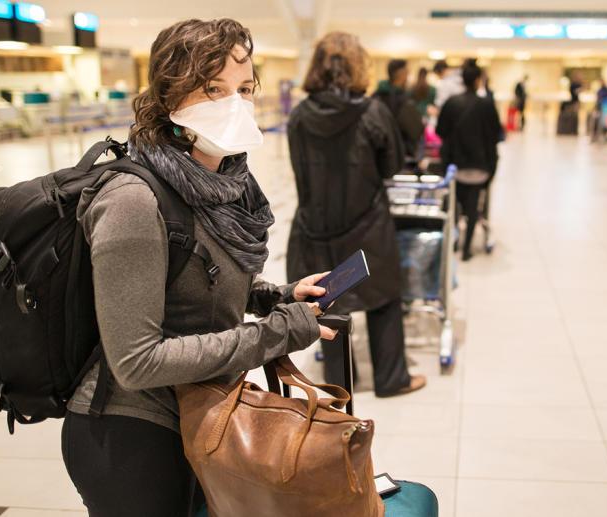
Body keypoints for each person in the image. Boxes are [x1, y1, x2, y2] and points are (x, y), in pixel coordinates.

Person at [61, 18, 336, 516]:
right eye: (213, 89)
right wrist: (276, 333)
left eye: (245, 88)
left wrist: (279, 296)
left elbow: (197, 280)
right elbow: (137, 360)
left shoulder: (224, 183)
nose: (234, 104)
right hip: (133, 436)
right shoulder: (133, 201)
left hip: (200, 411)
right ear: (169, 98)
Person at [286, 31, 426, 397]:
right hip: (368, 224)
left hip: (315, 226)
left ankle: (338, 383)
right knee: (383, 299)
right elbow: (392, 164)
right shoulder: (371, 112)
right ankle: (392, 378)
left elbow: (299, 169)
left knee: (326, 303)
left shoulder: (299, 116)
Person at [436, 62, 503, 261]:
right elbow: (496, 134)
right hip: (480, 165)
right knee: (474, 207)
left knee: (456, 203)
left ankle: (456, 240)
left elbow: (441, 131)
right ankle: (467, 248)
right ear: (478, 80)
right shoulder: (487, 105)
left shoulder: (452, 103)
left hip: (455, 165)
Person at [373, 59, 424, 166]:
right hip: (403, 156)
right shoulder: (405, 99)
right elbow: (416, 130)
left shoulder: (375, 97)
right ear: (401, 74)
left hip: (377, 155)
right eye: (407, 72)